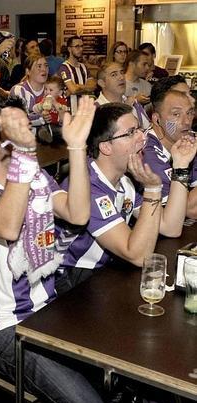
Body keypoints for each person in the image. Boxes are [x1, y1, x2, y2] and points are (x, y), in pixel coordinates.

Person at [0, 96, 105, 403]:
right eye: (16, 131)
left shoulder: (36, 179)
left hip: (45, 311)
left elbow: (78, 215)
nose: (28, 137)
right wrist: (23, 156)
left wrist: (78, 148)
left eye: (27, 129)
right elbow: (6, 225)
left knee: (115, 382)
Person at [56, 102, 194, 292]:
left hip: (100, 274)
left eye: (139, 128)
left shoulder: (125, 180)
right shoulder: (89, 187)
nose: (142, 137)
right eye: (130, 133)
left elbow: (170, 227)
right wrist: (152, 189)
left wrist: (180, 166)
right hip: (67, 286)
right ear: (106, 147)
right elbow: (137, 255)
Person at [143, 89, 197, 217]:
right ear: (157, 120)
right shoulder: (147, 153)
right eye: (176, 114)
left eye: (189, 113)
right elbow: (189, 210)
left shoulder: (186, 139)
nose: (187, 121)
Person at [96, 61, 150, 129]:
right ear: (102, 83)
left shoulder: (134, 104)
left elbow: (148, 131)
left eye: (122, 72)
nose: (121, 77)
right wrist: (126, 108)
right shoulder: (95, 111)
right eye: (114, 75)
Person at [57, 35, 97, 113]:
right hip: (71, 111)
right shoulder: (64, 67)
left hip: (84, 111)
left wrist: (79, 86)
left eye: (82, 46)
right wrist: (86, 89)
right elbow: (74, 89)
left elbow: (93, 86)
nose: (81, 49)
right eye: (77, 46)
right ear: (69, 49)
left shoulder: (84, 67)